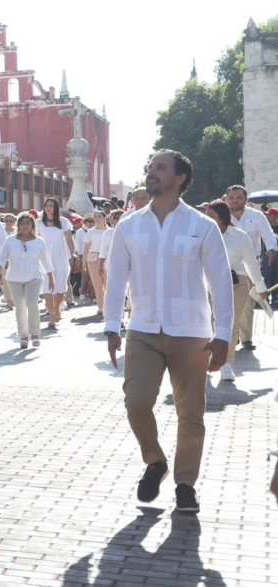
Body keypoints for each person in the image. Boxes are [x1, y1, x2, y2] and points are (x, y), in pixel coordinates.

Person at [104, 150, 232, 514]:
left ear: (180, 179)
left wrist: (223, 334)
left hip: (191, 333)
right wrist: (112, 326)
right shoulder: (128, 226)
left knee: (190, 413)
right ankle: (155, 461)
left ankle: (185, 484)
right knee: (137, 402)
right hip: (142, 328)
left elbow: (220, 283)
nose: (151, 173)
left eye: (160, 168)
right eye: (150, 168)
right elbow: (117, 281)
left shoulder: (202, 226)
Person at [204, 201, 266, 381]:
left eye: (212, 216)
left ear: (223, 218)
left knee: (230, 324)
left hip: (237, 285)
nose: (207, 220)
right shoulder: (202, 235)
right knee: (207, 324)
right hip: (208, 284)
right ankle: (206, 359)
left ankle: (225, 363)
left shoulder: (239, 236)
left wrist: (261, 288)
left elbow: (251, 263)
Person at [225, 185, 276, 352]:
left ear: (246, 200)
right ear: (227, 199)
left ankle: (246, 339)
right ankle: (233, 334)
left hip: (248, 267)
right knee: (225, 303)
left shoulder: (257, 216)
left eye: (238, 197)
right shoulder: (220, 216)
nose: (234, 201)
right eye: (231, 197)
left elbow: (268, 236)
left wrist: (271, 250)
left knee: (247, 303)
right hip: (224, 267)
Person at [0, 215, 54, 349]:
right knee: (20, 307)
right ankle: (23, 336)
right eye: (22, 223)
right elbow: (2, 256)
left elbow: (46, 261)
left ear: (33, 226)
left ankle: (35, 334)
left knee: (31, 303)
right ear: (18, 225)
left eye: (28, 223)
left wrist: (51, 278)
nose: (25, 226)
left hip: (34, 277)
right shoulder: (10, 241)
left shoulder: (39, 242)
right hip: (13, 279)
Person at [37, 198, 75, 328]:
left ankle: (56, 307)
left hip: (61, 257)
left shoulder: (64, 222)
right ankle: (52, 315)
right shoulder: (39, 223)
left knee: (60, 287)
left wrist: (72, 255)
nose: (48, 208)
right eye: (46, 205)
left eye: (51, 205)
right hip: (44, 258)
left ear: (56, 207)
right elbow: (34, 239)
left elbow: (69, 240)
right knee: (46, 287)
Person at [83, 210, 109, 315]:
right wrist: (84, 261)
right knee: (97, 283)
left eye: (99, 216)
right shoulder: (91, 232)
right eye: (96, 217)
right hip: (93, 258)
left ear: (104, 218)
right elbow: (86, 247)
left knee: (107, 282)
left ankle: (108, 304)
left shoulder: (110, 231)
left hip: (107, 257)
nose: (97, 219)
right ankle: (100, 305)